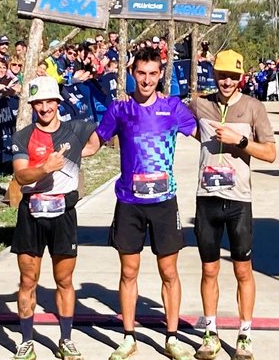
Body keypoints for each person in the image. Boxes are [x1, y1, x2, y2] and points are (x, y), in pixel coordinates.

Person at [88, 47, 198, 360]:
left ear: (161, 74)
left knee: (169, 272)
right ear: (132, 74)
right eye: (141, 73)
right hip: (129, 202)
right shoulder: (120, 109)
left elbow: (203, 136)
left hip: (164, 201)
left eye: (152, 73)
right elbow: (96, 141)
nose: (147, 80)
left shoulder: (173, 107)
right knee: (128, 271)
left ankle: (172, 337)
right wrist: (69, 155)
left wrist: (237, 144)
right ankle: (128, 336)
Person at [188, 50, 276, 360]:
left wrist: (240, 143)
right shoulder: (200, 104)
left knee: (243, 270)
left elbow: (270, 153)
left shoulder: (253, 107)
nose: (227, 81)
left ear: (242, 78)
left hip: (239, 200)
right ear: (213, 74)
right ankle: (210, 333)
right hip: (207, 198)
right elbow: (181, 124)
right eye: (222, 75)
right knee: (209, 269)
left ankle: (245, 335)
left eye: (233, 76)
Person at [10, 76, 100, 360]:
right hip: (32, 215)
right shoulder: (22, 136)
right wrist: (46, 167)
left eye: (49, 101)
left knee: (64, 280)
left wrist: (77, 157)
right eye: (39, 103)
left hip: (64, 214)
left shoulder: (76, 128)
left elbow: (96, 142)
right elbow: (20, 175)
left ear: (58, 103)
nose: (44, 108)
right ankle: (26, 342)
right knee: (28, 280)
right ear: (33, 105)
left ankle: (65, 339)